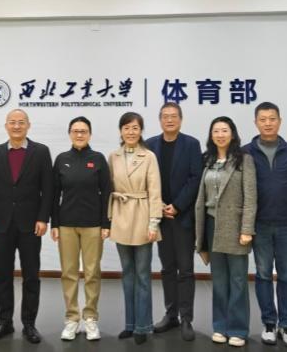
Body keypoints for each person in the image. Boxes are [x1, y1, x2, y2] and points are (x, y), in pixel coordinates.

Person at [0, 109, 54, 344]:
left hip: (31, 224)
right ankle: (4, 322)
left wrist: (43, 218)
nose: (16, 126)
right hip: (1, 224)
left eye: (21, 122)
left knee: (31, 276)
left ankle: (29, 323)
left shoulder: (41, 152)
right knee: (3, 276)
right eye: (12, 122)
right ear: (6, 126)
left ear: (28, 125)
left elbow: (48, 189)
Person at [195, 116, 257, 348]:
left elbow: (251, 197)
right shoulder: (208, 160)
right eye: (216, 131)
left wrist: (247, 229)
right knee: (219, 280)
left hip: (236, 227)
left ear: (232, 134)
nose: (220, 135)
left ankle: (238, 329)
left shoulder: (244, 160)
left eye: (224, 130)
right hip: (212, 225)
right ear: (211, 136)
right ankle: (220, 326)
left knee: (238, 280)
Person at [243, 102, 287, 347]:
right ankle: (269, 323)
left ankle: (286, 326)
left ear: (280, 121)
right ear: (256, 122)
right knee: (264, 274)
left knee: (286, 276)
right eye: (263, 119)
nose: (268, 123)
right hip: (260, 224)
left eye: (272, 118)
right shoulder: (246, 152)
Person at [51, 116, 111, 341]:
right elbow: (54, 194)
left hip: (93, 225)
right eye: (75, 131)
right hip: (66, 225)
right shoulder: (61, 159)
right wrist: (54, 224)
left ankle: (91, 318)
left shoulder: (98, 159)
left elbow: (106, 193)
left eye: (83, 131)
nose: (79, 134)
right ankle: (72, 319)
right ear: (70, 134)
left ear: (90, 134)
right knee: (69, 272)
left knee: (92, 272)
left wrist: (106, 224)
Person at [145, 102, 201, 341]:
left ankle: (187, 318)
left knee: (185, 269)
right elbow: (145, 179)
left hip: (183, 216)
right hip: (159, 217)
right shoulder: (150, 145)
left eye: (173, 116)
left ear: (180, 119)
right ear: (160, 120)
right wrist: (158, 205)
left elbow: (195, 178)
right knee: (167, 268)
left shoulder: (191, 144)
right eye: (165, 116)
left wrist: (177, 205)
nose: (169, 120)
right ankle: (171, 315)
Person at [108, 112, 163, 345]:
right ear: (120, 131)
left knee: (142, 274)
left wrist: (154, 222)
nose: (131, 132)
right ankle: (129, 324)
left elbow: (155, 191)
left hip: (142, 217)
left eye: (135, 128)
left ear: (141, 131)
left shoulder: (149, 156)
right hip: (121, 216)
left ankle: (142, 325)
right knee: (127, 273)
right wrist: (109, 216)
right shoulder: (113, 156)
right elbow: (108, 187)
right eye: (126, 128)